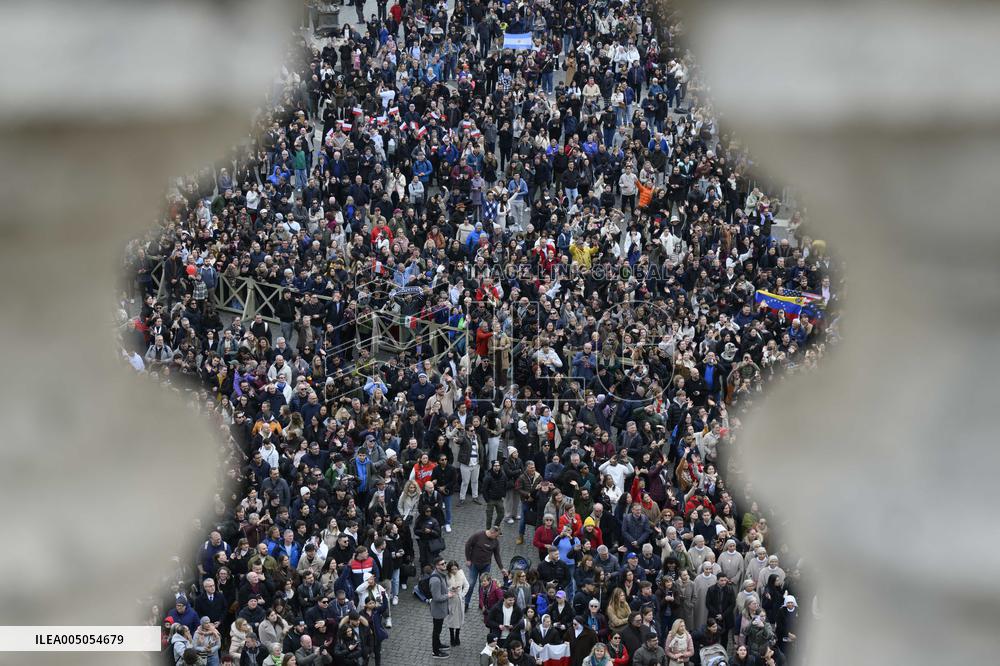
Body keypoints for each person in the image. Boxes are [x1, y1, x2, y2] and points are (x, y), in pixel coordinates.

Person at [463, 525, 503, 609]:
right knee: (471, 584)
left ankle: (482, 603)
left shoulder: (495, 541)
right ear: (492, 532)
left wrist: (501, 568)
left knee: (484, 586)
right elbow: (468, 545)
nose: (497, 537)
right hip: (474, 565)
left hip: (486, 566)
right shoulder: (478, 535)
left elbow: (497, 555)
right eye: (496, 535)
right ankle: (466, 603)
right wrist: (468, 559)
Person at [428, 557, 452, 659]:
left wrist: (449, 590)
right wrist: (448, 595)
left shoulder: (441, 575)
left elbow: (442, 590)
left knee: (438, 629)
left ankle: (438, 644)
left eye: (445, 563)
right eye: (442, 564)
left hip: (440, 609)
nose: (445, 565)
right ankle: (435, 652)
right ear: (437, 566)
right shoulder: (435, 580)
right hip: (438, 610)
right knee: (436, 631)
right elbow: (437, 597)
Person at [445, 560, 469, 647]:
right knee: (451, 618)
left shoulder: (461, 574)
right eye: (452, 569)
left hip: (459, 600)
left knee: (459, 618)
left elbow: (467, 585)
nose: (454, 571)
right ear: (449, 570)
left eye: (456, 569)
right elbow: (445, 588)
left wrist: (462, 595)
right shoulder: (447, 576)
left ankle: (457, 636)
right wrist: (451, 589)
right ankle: (452, 636)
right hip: (451, 600)